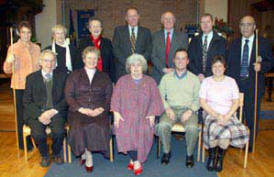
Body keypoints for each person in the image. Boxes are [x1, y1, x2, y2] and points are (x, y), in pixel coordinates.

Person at [111, 54, 164, 175]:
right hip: (125, 115)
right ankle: (136, 161)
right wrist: (116, 114)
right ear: (129, 67)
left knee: (144, 129)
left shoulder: (150, 81)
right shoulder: (122, 81)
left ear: (143, 67)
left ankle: (133, 158)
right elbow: (115, 99)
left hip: (144, 115)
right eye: (132, 65)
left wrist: (152, 114)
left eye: (138, 65)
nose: (135, 68)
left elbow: (156, 100)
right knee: (123, 128)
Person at [226, 15, 273, 152]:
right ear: (239, 27)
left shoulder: (262, 43)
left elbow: (270, 62)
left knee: (252, 116)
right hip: (236, 86)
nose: (245, 27)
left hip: (254, 85)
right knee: (236, 115)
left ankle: (250, 144)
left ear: (254, 27)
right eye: (242, 25)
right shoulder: (233, 44)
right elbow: (228, 65)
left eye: (248, 24)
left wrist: (262, 66)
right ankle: (237, 141)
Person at [65, 46, 112, 173]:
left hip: (98, 110)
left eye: (94, 58)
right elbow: (68, 95)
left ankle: (88, 150)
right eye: (89, 58)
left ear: (98, 60)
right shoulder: (74, 75)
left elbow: (109, 96)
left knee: (100, 125)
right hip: (78, 110)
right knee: (79, 126)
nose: (92, 61)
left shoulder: (104, 76)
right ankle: (87, 153)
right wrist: (81, 109)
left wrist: (101, 108)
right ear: (84, 59)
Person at [199, 56, 249, 172]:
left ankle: (219, 157)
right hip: (210, 114)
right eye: (214, 66)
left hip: (228, 114)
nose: (217, 68)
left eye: (220, 66)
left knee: (225, 131)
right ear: (211, 68)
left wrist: (227, 116)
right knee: (215, 127)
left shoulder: (231, 82)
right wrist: (216, 115)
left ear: (224, 68)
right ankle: (212, 156)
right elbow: (202, 102)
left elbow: (236, 101)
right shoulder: (206, 82)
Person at [155, 49, 200, 168]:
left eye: (183, 58)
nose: (180, 61)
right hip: (171, 109)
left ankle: (189, 154)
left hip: (188, 110)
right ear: (174, 60)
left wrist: (190, 110)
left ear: (187, 61)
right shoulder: (166, 78)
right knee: (162, 125)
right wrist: (167, 108)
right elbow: (159, 95)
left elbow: (198, 98)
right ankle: (166, 151)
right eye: (178, 58)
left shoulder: (194, 79)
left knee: (192, 128)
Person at [23, 50, 67, 167]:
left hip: (55, 111)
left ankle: (56, 152)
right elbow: (26, 101)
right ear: (40, 62)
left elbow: (66, 99)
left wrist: (52, 111)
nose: (49, 64)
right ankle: (45, 154)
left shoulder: (62, 77)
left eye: (52, 61)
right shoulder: (31, 78)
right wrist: (40, 115)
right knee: (38, 134)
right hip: (37, 113)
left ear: (55, 63)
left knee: (59, 132)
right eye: (46, 61)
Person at [3, 21, 40, 151]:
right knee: (21, 115)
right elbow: (7, 70)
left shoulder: (36, 48)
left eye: (28, 32)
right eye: (23, 32)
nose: (26, 35)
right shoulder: (13, 48)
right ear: (19, 33)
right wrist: (9, 61)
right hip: (20, 86)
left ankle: (37, 138)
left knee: (34, 114)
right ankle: (23, 143)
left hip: (35, 87)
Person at [113, 7, 152, 80]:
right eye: (130, 16)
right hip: (123, 69)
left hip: (141, 70)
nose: (133, 18)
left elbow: (149, 49)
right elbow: (115, 49)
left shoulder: (146, 32)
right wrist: (128, 63)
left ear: (138, 17)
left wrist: (140, 63)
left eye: (135, 16)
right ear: (126, 18)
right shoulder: (119, 31)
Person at [151, 11, 188, 84]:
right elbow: (153, 56)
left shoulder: (183, 37)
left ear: (174, 21)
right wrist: (163, 69)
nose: (168, 21)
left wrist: (173, 69)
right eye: (165, 19)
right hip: (158, 74)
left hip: (177, 73)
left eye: (170, 19)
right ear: (162, 21)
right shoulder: (155, 36)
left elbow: (184, 56)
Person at [188, 13, 226, 81]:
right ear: (200, 24)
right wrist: (198, 74)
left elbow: (222, 60)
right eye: (203, 22)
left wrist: (207, 76)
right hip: (196, 78)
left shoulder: (221, 41)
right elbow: (189, 60)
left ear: (212, 23)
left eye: (208, 22)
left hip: (214, 78)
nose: (205, 24)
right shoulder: (194, 40)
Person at [78, 18, 116, 82]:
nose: (96, 29)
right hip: (87, 78)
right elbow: (78, 62)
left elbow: (112, 63)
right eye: (94, 26)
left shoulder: (107, 42)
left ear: (101, 29)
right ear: (90, 29)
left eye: (98, 26)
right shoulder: (83, 43)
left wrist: (112, 80)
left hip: (104, 78)